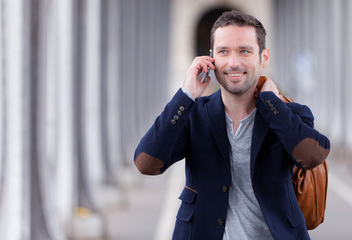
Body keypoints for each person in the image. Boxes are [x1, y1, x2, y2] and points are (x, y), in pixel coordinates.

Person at [134, 9, 330, 240]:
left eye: (244, 51)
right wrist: (186, 94)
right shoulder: (194, 114)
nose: (233, 63)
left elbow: (313, 156)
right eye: (223, 51)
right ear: (211, 58)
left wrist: (272, 105)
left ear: (263, 57)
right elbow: (146, 163)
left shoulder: (289, 113)